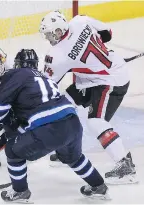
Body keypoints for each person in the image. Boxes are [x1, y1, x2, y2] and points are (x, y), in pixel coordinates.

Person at [0, 48, 109, 202]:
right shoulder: (45, 79)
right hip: (72, 122)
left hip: (49, 128)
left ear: (17, 65)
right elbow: (31, 118)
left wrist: (7, 129)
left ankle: (20, 191)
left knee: (13, 151)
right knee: (73, 157)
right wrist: (10, 128)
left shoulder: (16, 75)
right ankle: (98, 185)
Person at [39, 11, 136, 184]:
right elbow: (107, 34)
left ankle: (125, 167)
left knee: (96, 122)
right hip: (96, 75)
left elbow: (47, 83)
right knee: (63, 105)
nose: (49, 38)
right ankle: (67, 151)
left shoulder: (56, 55)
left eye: (51, 33)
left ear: (60, 29)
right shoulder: (81, 20)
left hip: (110, 80)